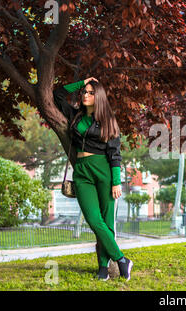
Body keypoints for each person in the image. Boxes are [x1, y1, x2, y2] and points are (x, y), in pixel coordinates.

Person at [53, 77, 133, 281]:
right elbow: (57, 94)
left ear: (98, 97)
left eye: (90, 92)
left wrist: (117, 181)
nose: (86, 95)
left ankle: (103, 269)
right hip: (81, 171)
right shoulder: (75, 115)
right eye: (84, 92)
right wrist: (82, 82)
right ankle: (122, 259)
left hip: (104, 171)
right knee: (94, 219)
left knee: (107, 221)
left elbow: (115, 154)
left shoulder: (108, 121)